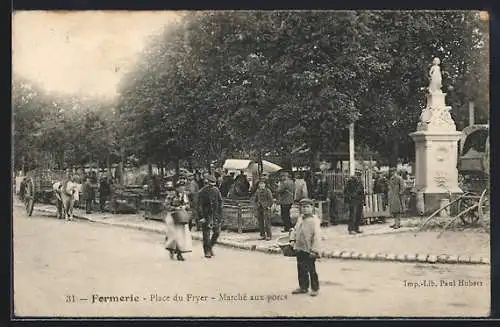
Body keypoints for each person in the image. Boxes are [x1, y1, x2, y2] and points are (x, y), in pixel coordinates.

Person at [289, 198, 322, 297]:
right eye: (303, 207)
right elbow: (295, 230)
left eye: (307, 207)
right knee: (301, 268)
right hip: (300, 247)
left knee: (311, 269)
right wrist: (292, 240)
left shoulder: (314, 221)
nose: (305, 209)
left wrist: (314, 250)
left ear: (312, 208)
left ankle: (315, 288)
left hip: (309, 249)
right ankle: (303, 286)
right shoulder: (300, 219)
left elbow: (317, 237)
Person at [164, 180, 193, 261]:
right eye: (180, 187)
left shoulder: (184, 195)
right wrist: (175, 208)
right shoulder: (171, 195)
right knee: (173, 235)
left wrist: (184, 207)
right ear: (176, 188)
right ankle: (171, 250)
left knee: (181, 236)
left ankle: (179, 253)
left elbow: (188, 204)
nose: (182, 188)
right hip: (172, 217)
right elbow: (166, 205)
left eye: (183, 187)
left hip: (181, 217)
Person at [197, 174, 223, 258]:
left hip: (215, 215)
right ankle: (207, 251)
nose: (211, 187)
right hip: (206, 214)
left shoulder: (216, 190)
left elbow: (220, 201)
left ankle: (210, 246)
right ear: (206, 182)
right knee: (206, 234)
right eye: (209, 184)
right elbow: (199, 205)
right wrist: (201, 217)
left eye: (213, 185)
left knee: (217, 232)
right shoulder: (202, 192)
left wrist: (220, 213)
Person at [344, 170, 365, 235]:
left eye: (359, 175)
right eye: (357, 175)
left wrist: (363, 200)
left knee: (358, 215)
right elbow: (346, 191)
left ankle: (356, 228)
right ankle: (351, 229)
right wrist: (350, 197)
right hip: (353, 201)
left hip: (359, 200)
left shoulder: (360, 182)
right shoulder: (350, 181)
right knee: (352, 215)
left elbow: (362, 192)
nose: (358, 176)